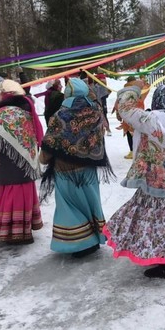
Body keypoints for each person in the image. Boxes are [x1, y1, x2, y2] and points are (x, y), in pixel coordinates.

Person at [104, 83, 165, 279]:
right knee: (163, 222)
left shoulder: (152, 119)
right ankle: (162, 260)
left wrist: (134, 90)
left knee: (155, 222)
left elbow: (125, 109)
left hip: (156, 182)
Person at [39, 78, 114, 257]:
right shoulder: (95, 111)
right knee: (90, 203)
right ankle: (94, 238)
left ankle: (80, 242)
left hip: (65, 170)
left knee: (70, 206)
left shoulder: (61, 115)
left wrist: (43, 158)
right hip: (88, 169)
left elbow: (51, 142)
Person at [0, 79, 44, 244]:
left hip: (11, 163)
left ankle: (14, 232)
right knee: (22, 190)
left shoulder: (8, 112)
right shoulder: (25, 108)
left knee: (13, 192)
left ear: (5, 94)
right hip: (25, 160)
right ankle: (23, 228)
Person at [112, 76, 150, 159]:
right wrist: (145, 83)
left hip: (127, 115)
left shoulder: (124, 90)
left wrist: (118, 113)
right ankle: (140, 150)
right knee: (139, 132)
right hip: (139, 113)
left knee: (129, 132)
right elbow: (147, 89)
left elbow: (118, 102)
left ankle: (132, 151)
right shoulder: (140, 89)